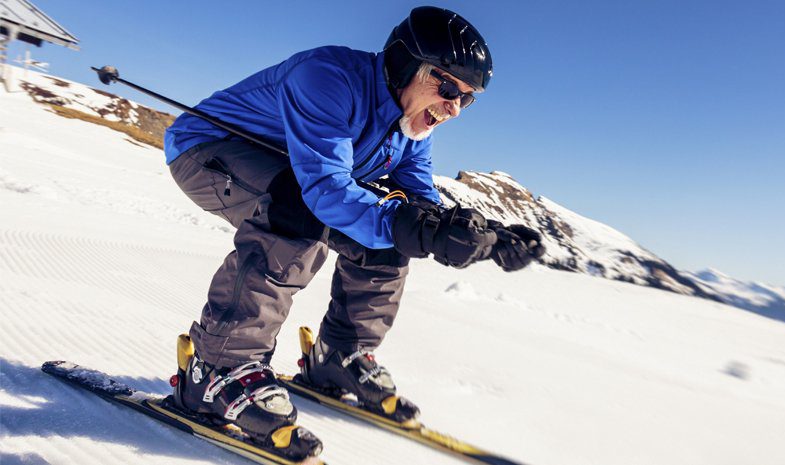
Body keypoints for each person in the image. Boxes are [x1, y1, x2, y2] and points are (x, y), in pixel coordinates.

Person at [163, 5, 545, 457]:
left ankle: (339, 356)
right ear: (405, 64)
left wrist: (487, 235)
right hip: (206, 150)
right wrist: (415, 226)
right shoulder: (328, 77)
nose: (455, 109)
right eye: (447, 88)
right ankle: (219, 369)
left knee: (392, 230)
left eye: (467, 98)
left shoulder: (413, 129)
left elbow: (419, 204)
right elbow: (325, 191)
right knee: (299, 210)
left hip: (294, 175)